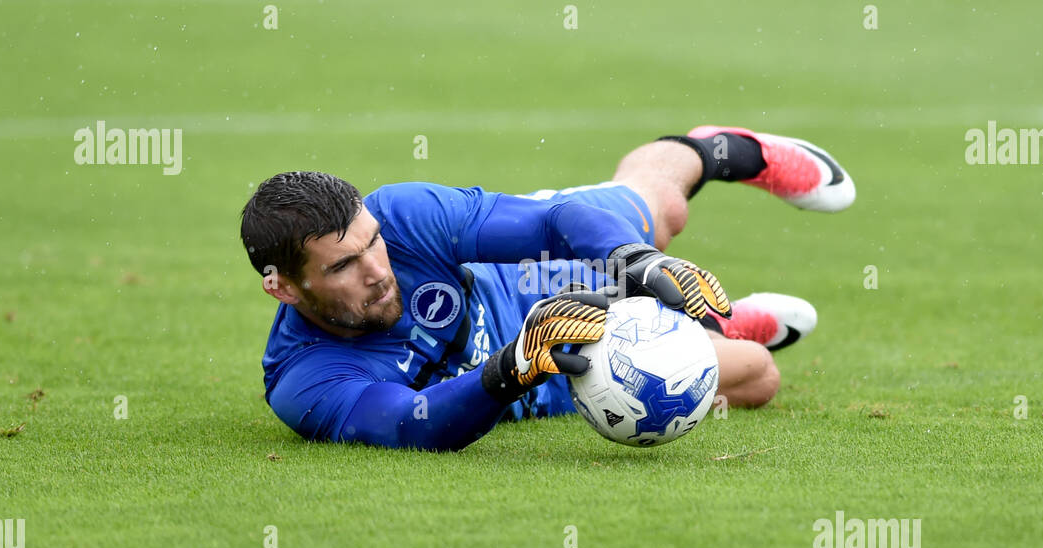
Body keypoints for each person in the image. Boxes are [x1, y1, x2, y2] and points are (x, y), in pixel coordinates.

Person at [239, 125, 855, 450]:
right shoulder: (304, 381)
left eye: (372, 242)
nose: (378, 267)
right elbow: (412, 426)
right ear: (285, 289)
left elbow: (551, 225)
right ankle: (712, 323)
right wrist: (512, 369)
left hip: (517, 280)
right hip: (527, 377)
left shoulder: (402, 216)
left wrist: (633, 260)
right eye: (343, 266)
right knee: (757, 376)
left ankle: (725, 149)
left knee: (662, 212)